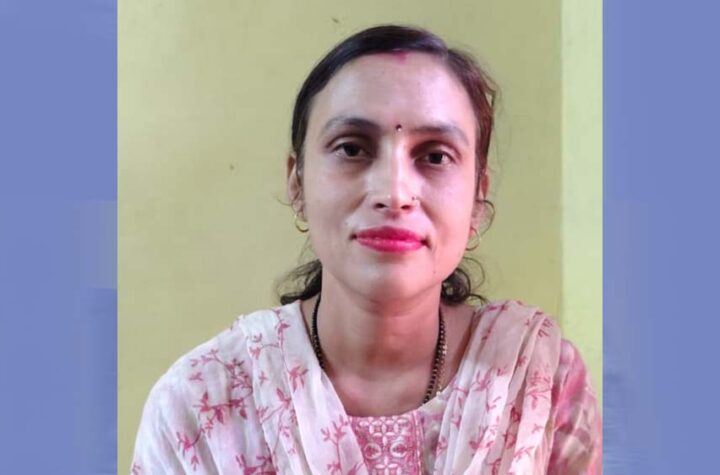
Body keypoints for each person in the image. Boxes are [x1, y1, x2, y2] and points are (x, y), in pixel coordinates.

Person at [131, 25, 601, 474]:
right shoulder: (201, 406)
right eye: (352, 149)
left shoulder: (538, 385)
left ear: (478, 196)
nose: (394, 193)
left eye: (435, 156)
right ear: (297, 181)